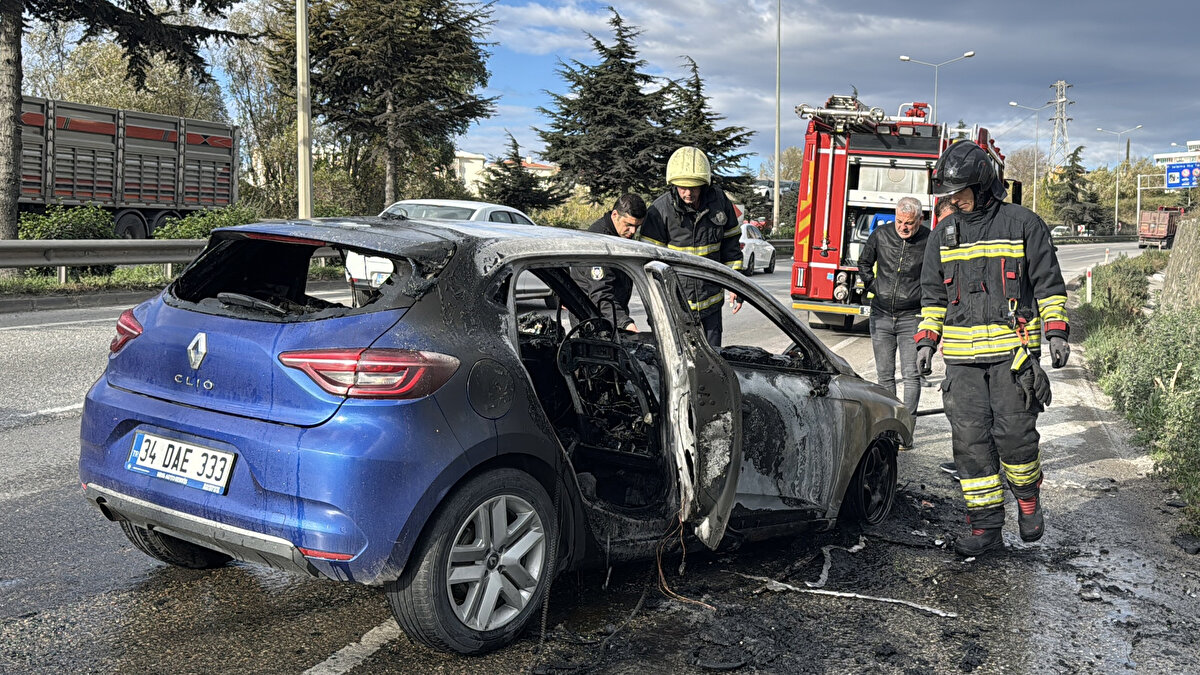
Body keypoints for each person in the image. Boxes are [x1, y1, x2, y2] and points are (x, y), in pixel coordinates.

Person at [915, 141, 1070, 557]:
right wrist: (927, 341)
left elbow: (1049, 286)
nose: (953, 199)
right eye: (948, 194)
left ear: (984, 186)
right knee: (970, 446)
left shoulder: (1023, 224)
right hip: (963, 365)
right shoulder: (943, 235)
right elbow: (932, 298)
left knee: (1016, 439)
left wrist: (1056, 332)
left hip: (1013, 360)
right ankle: (985, 529)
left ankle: (1027, 498)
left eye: (959, 191)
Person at [639, 146, 743, 346]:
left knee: (713, 360)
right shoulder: (660, 211)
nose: (688, 193)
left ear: (704, 184)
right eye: (682, 187)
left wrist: (735, 285)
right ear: (673, 184)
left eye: (694, 187)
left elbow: (731, 245)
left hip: (711, 305)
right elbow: (648, 263)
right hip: (676, 307)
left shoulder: (719, 202)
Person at [857, 196, 930, 417]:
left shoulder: (930, 240)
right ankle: (889, 426)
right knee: (885, 376)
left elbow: (937, 276)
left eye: (909, 222)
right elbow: (864, 263)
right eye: (899, 221)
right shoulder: (881, 234)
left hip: (912, 316)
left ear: (920, 219)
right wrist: (874, 287)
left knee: (911, 375)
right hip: (881, 314)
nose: (903, 227)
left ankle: (906, 429)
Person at [572, 194, 647, 332]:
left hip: (610, 314)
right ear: (614, 215)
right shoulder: (598, 244)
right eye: (629, 225)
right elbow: (600, 294)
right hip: (590, 320)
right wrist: (625, 323)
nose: (633, 232)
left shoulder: (616, 236)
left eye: (637, 226)